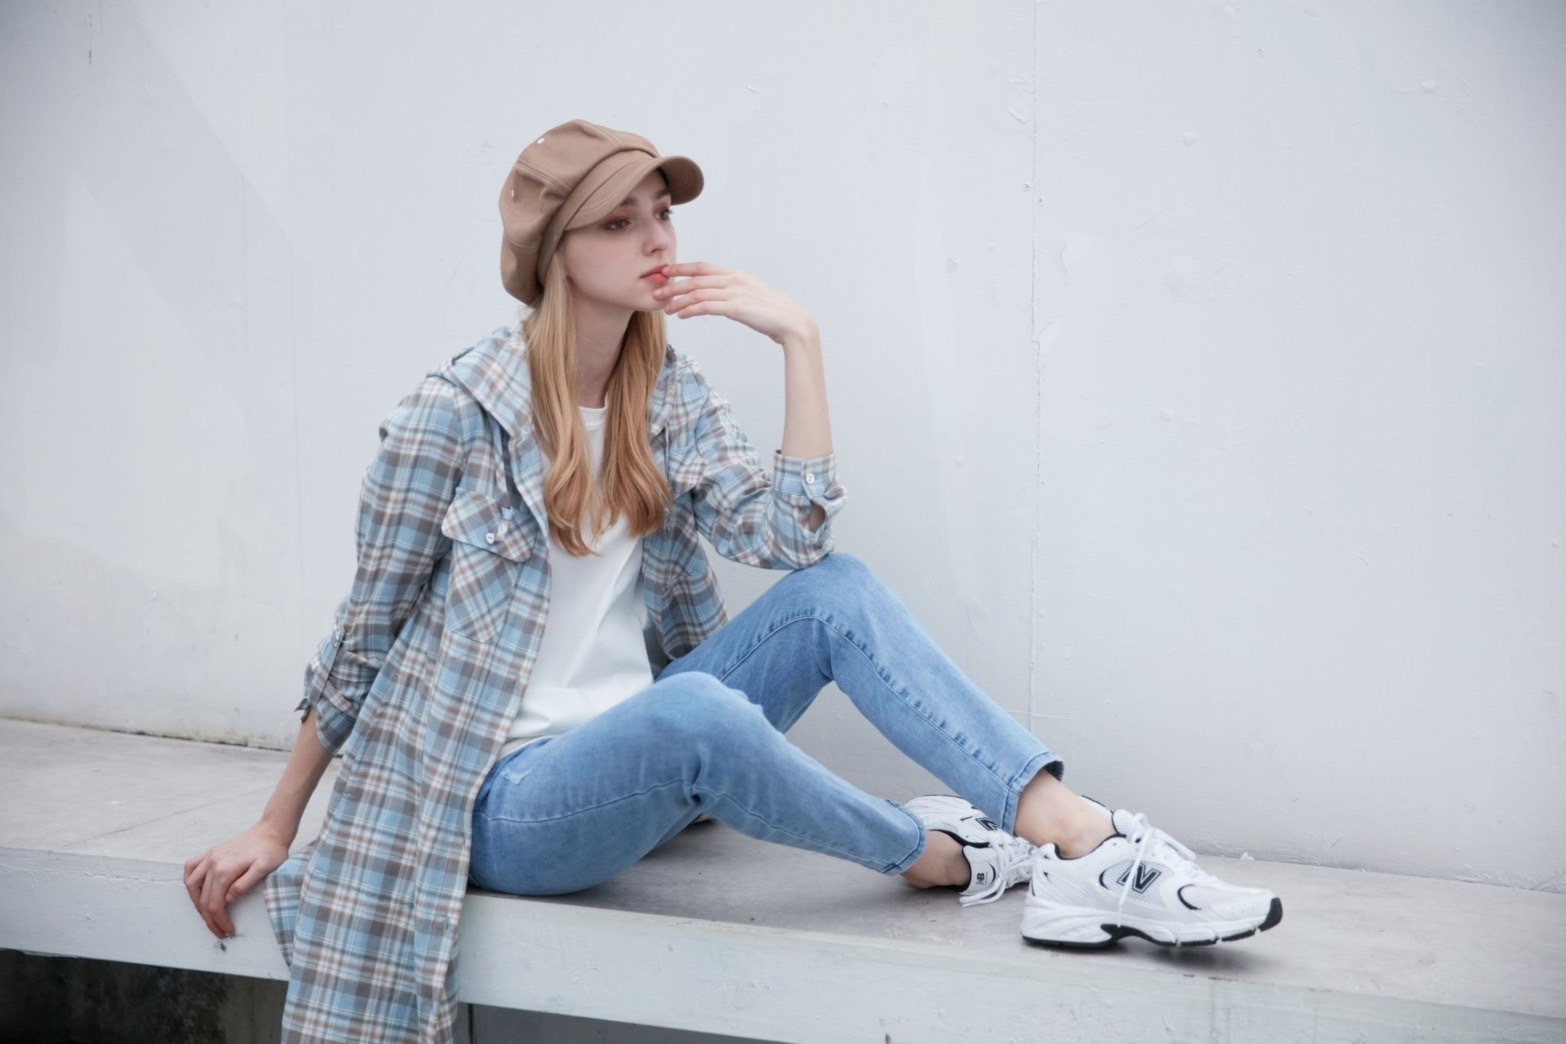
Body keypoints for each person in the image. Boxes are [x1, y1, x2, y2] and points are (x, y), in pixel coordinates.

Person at [184, 119, 1282, 1042]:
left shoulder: (661, 390)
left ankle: (1077, 838)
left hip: (639, 763)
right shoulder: (455, 414)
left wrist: (798, 338)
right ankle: (938, 859)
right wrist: (278, 825)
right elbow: (364, 636)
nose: (656, 238)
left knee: (836, 590)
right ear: (557, 252)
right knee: (699, 712)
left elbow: (791, 538)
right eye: (620, 221)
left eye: (661, 212)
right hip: (501, 807)